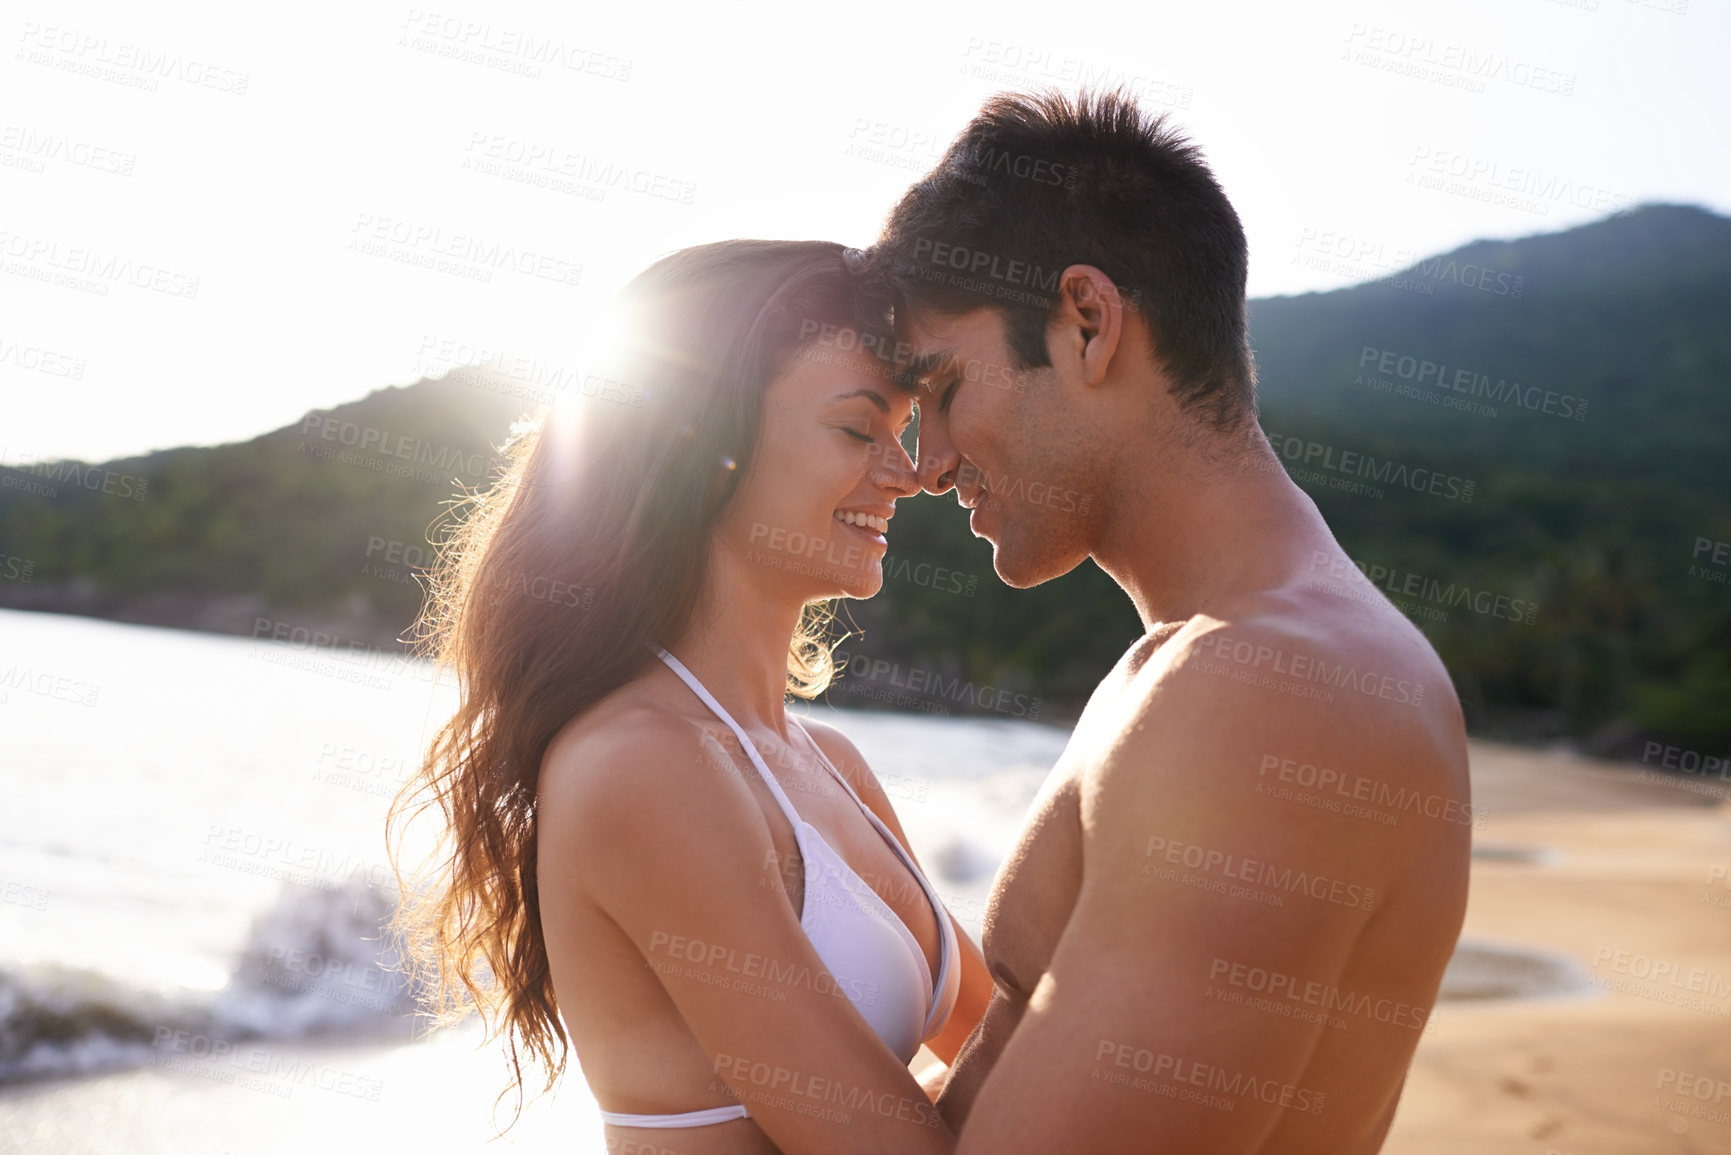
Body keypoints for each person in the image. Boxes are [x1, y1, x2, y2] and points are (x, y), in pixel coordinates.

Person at [861, 89, 1473, 1153]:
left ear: (1087, 323)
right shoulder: (1207, 660)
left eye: (947, 388)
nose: (929, 463)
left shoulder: (1267, 692)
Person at [387, 239, 992, 1154]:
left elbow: (1006, 1042)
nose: (904, 472)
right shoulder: (639, 766)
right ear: (705, 447)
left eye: (905, 430)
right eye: (858, 428)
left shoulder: (829, 762)